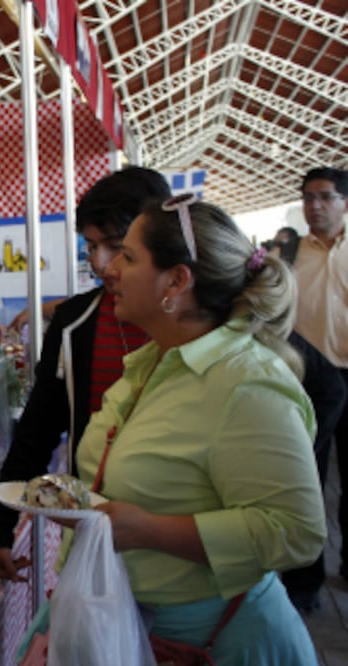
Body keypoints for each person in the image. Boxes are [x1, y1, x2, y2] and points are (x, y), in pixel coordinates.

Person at [71, 194, 325, 662]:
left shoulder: (244, 384)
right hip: (135, 627)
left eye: (127, 256)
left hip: (219, 642)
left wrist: (147, 529)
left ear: (177, 280)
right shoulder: (155, 361)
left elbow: (297, 531)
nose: (110, 270)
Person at [0, 166, 171, 579]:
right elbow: (38, 428)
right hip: (95, 540)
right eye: (91, 247)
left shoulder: (194, 327)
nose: (103, 265)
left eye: (119, 248)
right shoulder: (75, 324)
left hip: (175, 547)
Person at [289, 167, 348, 582]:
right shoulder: (290, 254)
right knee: (305, 475)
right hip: (306, 380)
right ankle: (304, 581)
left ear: (345, 202)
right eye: (309, 197)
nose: (315, 205)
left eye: (325, 197)